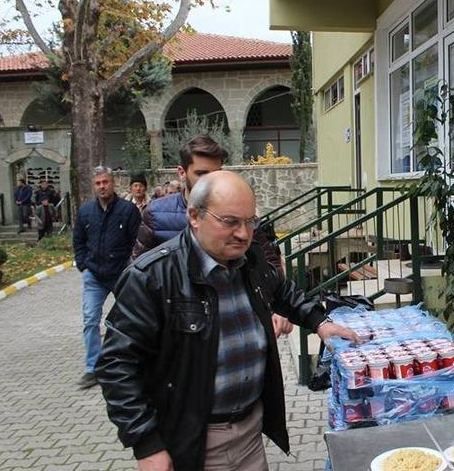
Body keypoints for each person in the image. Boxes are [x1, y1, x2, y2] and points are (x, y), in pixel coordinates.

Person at [96, 170, 359, 471]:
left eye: (250, 221)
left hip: (250, 434)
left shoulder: (251, 260)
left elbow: (282, 290)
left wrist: (320, 322)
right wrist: (146, 443)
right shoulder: (152, 277)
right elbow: (116, 365)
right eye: (230, 222)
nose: (244, 234)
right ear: (194, 216)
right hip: (192, 442)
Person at [133, 135, 291, 337]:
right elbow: (138, 273)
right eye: (201, 173)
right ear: (182, 172)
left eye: (216, 174)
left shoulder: (237, 210)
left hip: (233, 326)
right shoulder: (157, 214)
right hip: (181, 335)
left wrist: (278, 306)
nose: (210, 181)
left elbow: (267, 261)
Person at [72, 166, 142, 389]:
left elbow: (137, 241)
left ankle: (131, 363)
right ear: (94, 186)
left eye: (105, 182)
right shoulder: (85, 212)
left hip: (121, 274)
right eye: (98, 183)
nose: (102, 186)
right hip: (94, 276)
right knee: (90, 320)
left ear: (113, 183)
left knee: (132, 318)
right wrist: (83, 265)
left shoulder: (128, 210)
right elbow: (78, 241)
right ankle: (93, 368)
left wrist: (131, 267)